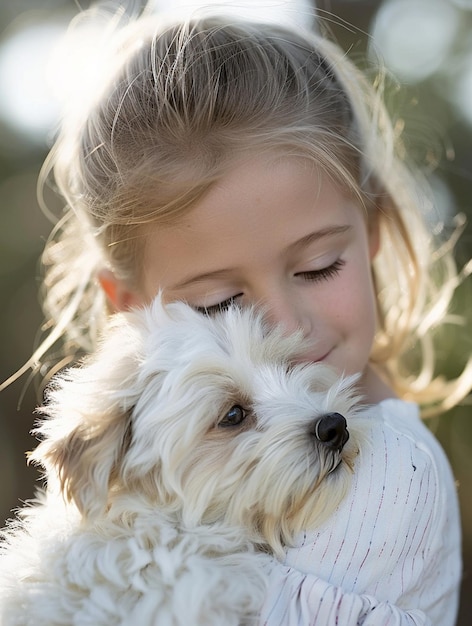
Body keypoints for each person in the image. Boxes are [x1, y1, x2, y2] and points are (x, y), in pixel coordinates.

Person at [3, 3, 471, 624]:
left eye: (318, 267)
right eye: (220, 305)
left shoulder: (388, 478)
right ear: (134, 312)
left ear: (375, 230)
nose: (285, 325)